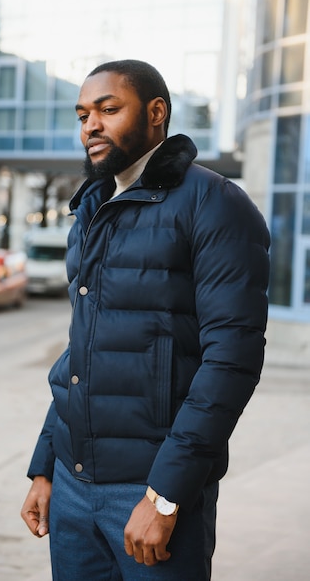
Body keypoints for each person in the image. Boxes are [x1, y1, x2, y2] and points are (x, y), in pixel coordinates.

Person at [21, 59, 270, 580]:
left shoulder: (215, 203)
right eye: (83, 113)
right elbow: (81, 351)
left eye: (109, 109)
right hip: (71, 485)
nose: (91, 124)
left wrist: (166, 496)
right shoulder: (91, 208)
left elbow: (232, 359)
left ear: (156, 113)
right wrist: (46, 465)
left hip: (150, 490)